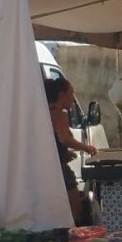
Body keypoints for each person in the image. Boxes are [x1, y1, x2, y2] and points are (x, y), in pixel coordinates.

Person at [44, 78, 98, 225]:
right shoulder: (60, 112)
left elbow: (51, 140)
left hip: (48, 169)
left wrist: (65, 153)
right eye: (71, 93)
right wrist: (87, 148)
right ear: (62, 95)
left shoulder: (45, 111)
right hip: (60, 170)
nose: (73, 98)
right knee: (75, 209)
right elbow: (64, 139)